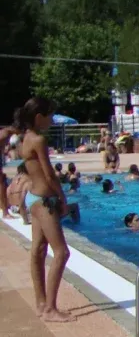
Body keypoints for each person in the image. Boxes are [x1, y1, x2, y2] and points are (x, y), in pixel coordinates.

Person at [16, 98, 74, 321]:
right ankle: (50, 308)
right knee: (62, 252)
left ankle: (41, 303)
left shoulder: (25, 138)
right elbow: (49, 175)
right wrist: (62, 198)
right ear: (39, 117)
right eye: (49, 116)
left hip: (33, 197)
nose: (51, 120)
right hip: (44, 200)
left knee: (38, 250)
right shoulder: (39, 140)